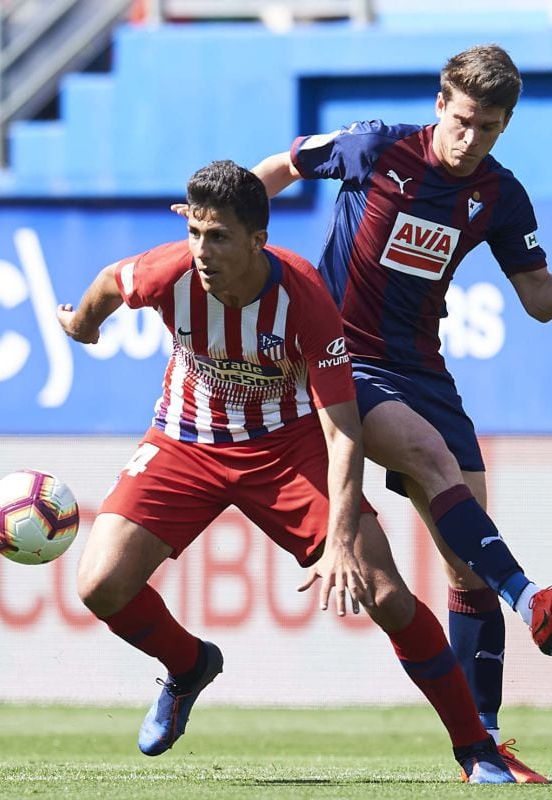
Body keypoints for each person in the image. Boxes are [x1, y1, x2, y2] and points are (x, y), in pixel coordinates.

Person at [250, 44, 552, 782]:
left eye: (488, 128)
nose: (469, 138)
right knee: (430, 460)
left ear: (504, 128)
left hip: (422, 369)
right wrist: (234, 226)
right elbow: (284, 166)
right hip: (340, 356)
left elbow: (539, 300)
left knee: (466, 566)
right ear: (440, 102)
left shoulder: (502, 197)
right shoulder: (376, 146)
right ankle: (532, 597)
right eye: (462, 120)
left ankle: (483, 748)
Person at [57, 160, 518, 783]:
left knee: (385, 594)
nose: (202, 251)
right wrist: (82, 324)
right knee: (99, 584)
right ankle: (189, 666)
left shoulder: (303, 296)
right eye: (196, 233)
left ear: (257, 240)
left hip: (286, 447)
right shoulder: (170, 271)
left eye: (217, 237)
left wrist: (343, 541)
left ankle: (476, 751)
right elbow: (113, 283)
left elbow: (343, 428)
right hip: (186, 440)